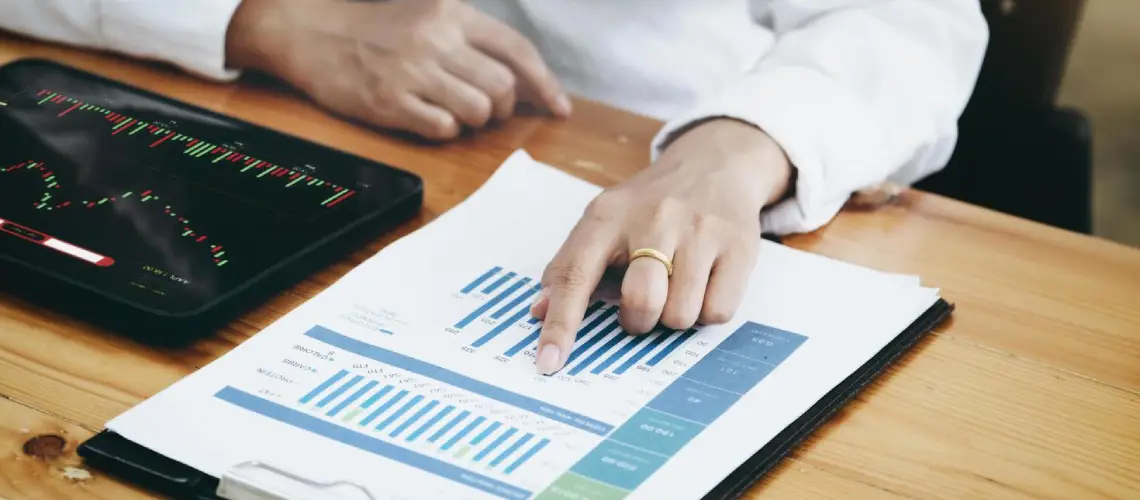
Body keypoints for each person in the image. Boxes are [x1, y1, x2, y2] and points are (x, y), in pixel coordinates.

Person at [1, 0, 989, 374]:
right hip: (271, 152)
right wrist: (265, 19)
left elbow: (917, 24)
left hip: (655, 163)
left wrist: (739, 144)